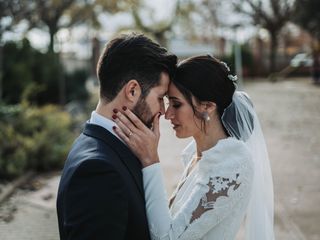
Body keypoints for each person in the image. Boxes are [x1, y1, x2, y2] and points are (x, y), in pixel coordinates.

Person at [113, 55, 275, 240]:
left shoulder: (232, 165)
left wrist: (150, 161)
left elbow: (167, 237)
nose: (167, 114)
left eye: (176, 104)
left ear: (207, 107)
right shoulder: (200, 154)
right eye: (167, 102)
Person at [56, 33, 177, 240]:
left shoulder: (95, 143)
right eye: (160, 98)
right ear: (132, 91)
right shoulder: (98, 171)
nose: (164, 112)